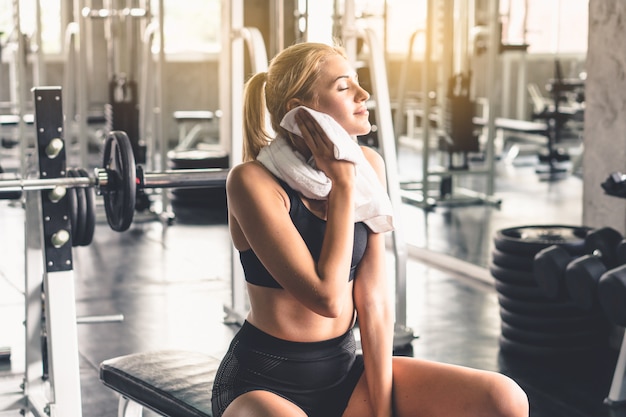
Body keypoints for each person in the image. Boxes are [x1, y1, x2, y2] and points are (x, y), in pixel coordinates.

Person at [211, 41, 529, 417]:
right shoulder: (252, 182)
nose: (364, 95)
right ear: (299, 112)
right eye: (344, 87)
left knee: (504, 398)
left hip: (345, 373)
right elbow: (327, 299)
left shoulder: (367, 165)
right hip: (264, 385)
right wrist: (342, 185)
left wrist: (380, 407)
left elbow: (374, 301)